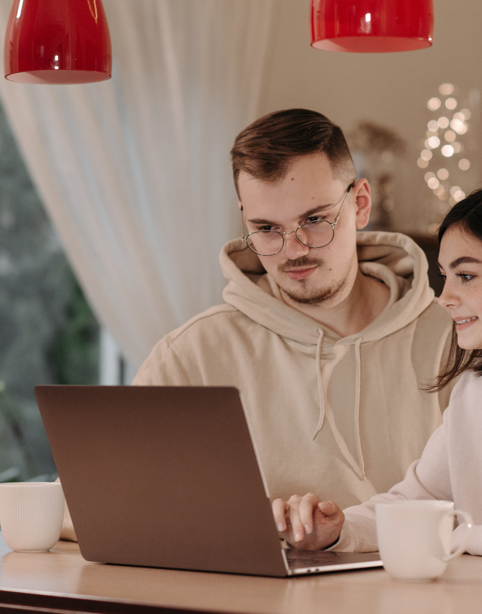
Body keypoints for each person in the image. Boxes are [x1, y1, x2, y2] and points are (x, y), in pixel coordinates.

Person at [133, 108, 453, 511]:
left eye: (315, 219)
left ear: (360, 204)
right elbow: (97, 502)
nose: (294, 250)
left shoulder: (458, 342)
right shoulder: (190, 355)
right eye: (267, 229)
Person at [273, 182, 482, 558]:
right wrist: (337, 530)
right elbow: (419, 500)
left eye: (466, 276)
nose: (446, 297)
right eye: (445, 276)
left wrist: (453, 537)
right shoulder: (476, 391)